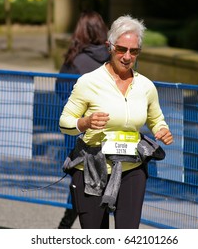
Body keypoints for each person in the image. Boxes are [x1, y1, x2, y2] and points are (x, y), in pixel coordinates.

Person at [59, 15, 174, 229]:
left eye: (134, 51)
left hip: (132, 168)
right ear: (109, 47)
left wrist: (162, 129)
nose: (127, 56)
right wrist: (85, 122)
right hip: (92, 169)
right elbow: (65, 122)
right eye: (121, 49)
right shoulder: (89, 82)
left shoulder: (146, 86)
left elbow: (156, 119)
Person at [55, 10, 110, 229]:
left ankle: (65, 226)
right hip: (109, 129)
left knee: (78, 180)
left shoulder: (75, 60)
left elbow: (60, 90)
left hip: (79, 129)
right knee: (104, 180)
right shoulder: (112, 59)